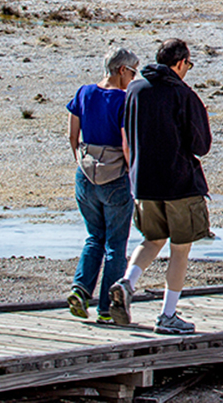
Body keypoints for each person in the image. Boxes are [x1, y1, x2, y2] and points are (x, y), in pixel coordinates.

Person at [110, 38, 211, 335]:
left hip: (143, 182)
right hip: (178, 183)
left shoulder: (135, 89)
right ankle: (168, 314)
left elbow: (126, 132)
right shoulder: (183, 94)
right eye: (188, 64)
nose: (188, 69)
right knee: (180, 249)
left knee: (152, 239)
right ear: (179, 63)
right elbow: (201, 145)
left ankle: (127, 283)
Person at [66, 46, 139, 323]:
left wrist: (81, 161)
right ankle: (107, 309)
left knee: (94, 237)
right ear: (121, 70)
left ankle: (80, 289)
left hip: (86, 174)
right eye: (132, 72)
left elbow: (72, 135)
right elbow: (126, 144)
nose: (133, 78)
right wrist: (133, 175)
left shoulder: (83, 92)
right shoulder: (123, 100)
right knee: (116, 244)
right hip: (115, 176)